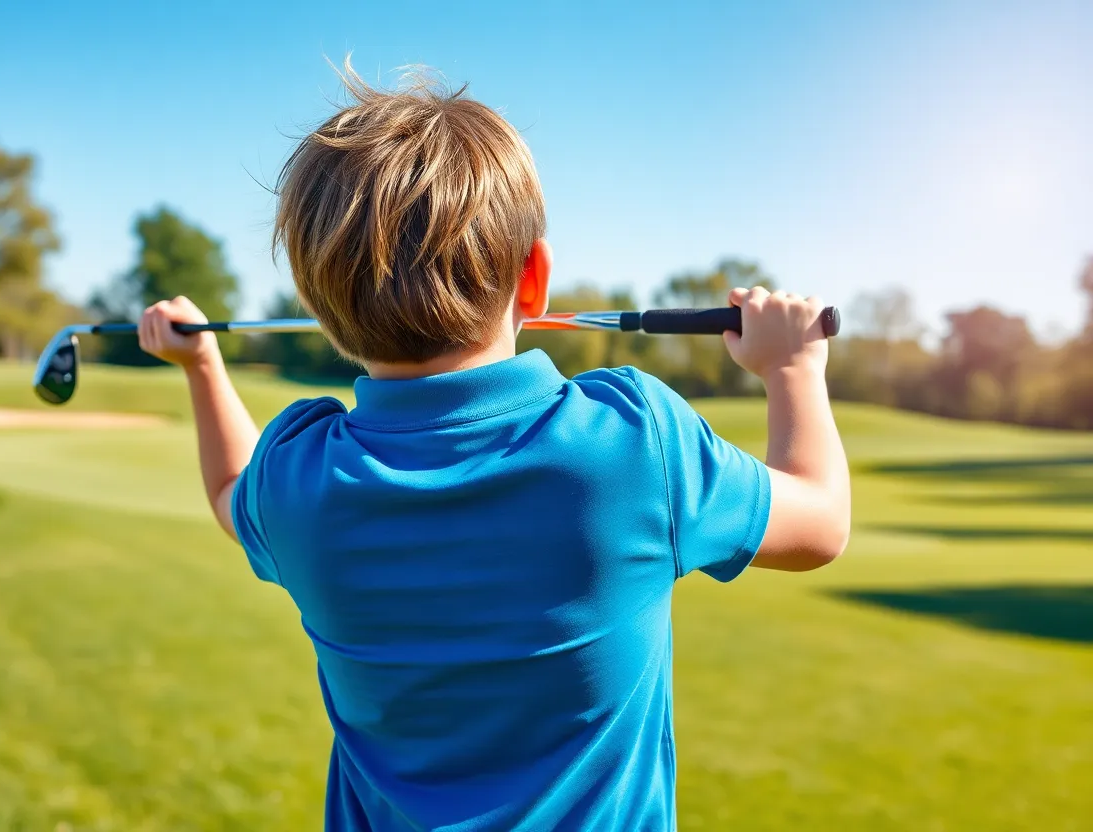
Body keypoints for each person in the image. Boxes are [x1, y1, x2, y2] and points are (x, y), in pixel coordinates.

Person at [137, 63, 850, 832]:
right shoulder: (632, 443)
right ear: (534, 279)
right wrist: (793, 369)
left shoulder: (298, 476)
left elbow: (228, 494)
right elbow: (819, 525)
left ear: (319, 306)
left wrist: (202, 367)